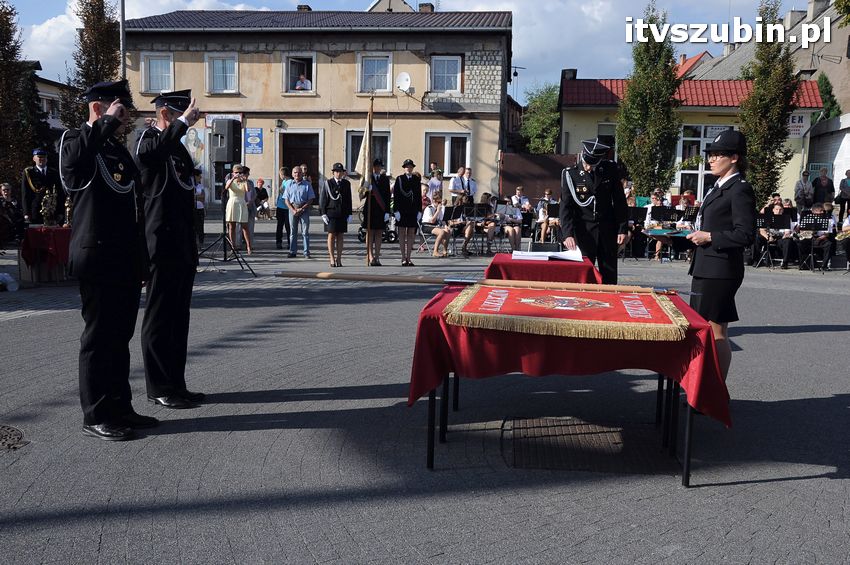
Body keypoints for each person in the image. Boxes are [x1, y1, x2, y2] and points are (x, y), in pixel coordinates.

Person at [60, 80, 155, 440]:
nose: (125, 117)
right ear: (98, 107)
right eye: (120, 109)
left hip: (124, 258)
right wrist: (102, 123)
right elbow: (72, 166)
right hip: (97, 256)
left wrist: (141, 261)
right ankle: (96, 414)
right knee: (98, 338)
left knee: (119, 337)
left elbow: (135, 210)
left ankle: (120, 406)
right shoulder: (75, 140)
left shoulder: (115, 149)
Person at [134, 89, 205, 410]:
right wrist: (181, 125)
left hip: (181, 244)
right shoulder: (146, 139)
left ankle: (177, 384)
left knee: (179, 318)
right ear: (165, 114)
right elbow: (149, 157)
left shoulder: (176, 147)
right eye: (179, 114)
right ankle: (159, 387)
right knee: (160, 317)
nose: (186, 120)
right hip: (159, 243)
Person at [686, 130, 756, 382]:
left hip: (721, 270)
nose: (711, 159)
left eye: (718, 155)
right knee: (704, 328)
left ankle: (714, 390)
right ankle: (705, 387)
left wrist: (709, 237)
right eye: (710, 155)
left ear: (734, 157)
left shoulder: (739, 189)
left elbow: (745, 234)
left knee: (715, 331)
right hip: (706, 266)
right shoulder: (717, 187)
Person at [560, 138, 628, 284]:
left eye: (593, 164)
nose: (589, 168)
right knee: (582, 274)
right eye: (587, 164)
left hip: (607, 228)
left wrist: (622, 229)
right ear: (582, 155)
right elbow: (566, 207)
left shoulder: (609, 170)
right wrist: (567, 234)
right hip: (583, 230)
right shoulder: (570, 174)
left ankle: (608, 298)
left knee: (609, 274)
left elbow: (619, 201)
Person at [319, 162, 353, 267]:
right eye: (336, 171)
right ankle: (331, 258)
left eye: (340, 172)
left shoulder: (346, 184)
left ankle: (339, 258)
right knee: (331, 235)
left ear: (343, 173)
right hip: (331, 213)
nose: (338, 173)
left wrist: (350, 213)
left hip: (342, 213)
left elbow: (348, 199)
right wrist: (323, 213)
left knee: (340, 236)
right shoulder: (328, 183)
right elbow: (323, 199)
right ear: (333, 173)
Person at [392, 158, 423, 266]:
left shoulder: (416, 179)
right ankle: (403, 257)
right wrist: (396, 210)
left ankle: (409, 257)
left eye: (410, 167)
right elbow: (396, 195)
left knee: (411, 234)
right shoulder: (400, 179)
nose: (409, 169)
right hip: (401, 210)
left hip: (412, 210)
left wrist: (419, 210)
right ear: (404, 168)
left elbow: (418, 196)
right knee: (401, 234)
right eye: (407, 167)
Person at [361, 158, 391, 266]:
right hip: (370, 209)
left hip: (381, 209)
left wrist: (387, 211)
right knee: (370, 233)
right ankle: (370, 255)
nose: (377, 168)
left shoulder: (385, 179)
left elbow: (387, 196)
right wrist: (366, 189)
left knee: (379, 233)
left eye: (379, 166)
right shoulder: (368, 178)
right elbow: (361, 193)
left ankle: (377, 256)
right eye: (376, 166)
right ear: (372, 167)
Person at [21, 148, 63, 225]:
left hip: (52, 210)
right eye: (39, 157)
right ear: (34, 159)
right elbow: (25, 194)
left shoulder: (54, 172)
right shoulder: (29, 172)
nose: (42, 159)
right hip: (35, 211)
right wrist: (26, 213)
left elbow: (59, 192)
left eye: (44, 157)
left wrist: (60, 211)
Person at [284, 165, 314, 258]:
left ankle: (306, 252)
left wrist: (303, 208)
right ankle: (292, 251)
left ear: (302, 174)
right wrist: (292, 209)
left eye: (299, 173)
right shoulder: (289, 184)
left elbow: (311, 199)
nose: (297, 174)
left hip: (304, 209)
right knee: (293, 232)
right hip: (292, 209)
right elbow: (286, 199)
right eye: (295, 172)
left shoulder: (307, 184)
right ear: (292, 174)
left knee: (305, 232)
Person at [796, 202, 835, 270]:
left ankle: (824, 265)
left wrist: (819, 238)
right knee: (800, 243)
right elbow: (801, 231)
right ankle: (804, 263)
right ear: (814, 212)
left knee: (828, 244)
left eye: (822, 210)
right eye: (820, 211)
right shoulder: (807, 219)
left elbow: (827, 234)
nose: (822, 212)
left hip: (821, 238)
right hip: (809, 238)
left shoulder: (827, 219)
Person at [224, 164, 252, 254]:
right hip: (232, 203)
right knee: (232, 226)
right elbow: (226, 187)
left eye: (240, 172)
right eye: (236, 172)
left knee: (245, 226)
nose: (238, 174)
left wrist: (245, 180)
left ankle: (248, 246)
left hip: (241, 203)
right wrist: (233, 178)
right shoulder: (230, 180)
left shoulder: (244, 182)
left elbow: (248, 190)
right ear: (233, 173)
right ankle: (233, 246)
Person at [276, 166, 292, 250]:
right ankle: (278, 242)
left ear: (283, 174)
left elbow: (287, 193)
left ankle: (290, 242)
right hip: (280, 206)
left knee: (288, 226)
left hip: (286, 207)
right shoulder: (284, 181)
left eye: (280, 174)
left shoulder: (290, 182)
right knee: (279, 225)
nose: (280, 176)